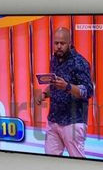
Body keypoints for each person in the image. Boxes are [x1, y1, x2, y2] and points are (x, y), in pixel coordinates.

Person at [37, 27, 94, 157]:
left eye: (62, 43)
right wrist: (44, 94)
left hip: (73, 121)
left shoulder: (79, 63)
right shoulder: (54, 60)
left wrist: (67, 87)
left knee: (77, 162)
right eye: (56, 43)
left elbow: (88, 91)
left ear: (69, 43)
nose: (58, 46)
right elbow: (55, 84)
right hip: (54, 119)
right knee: (50, 161)